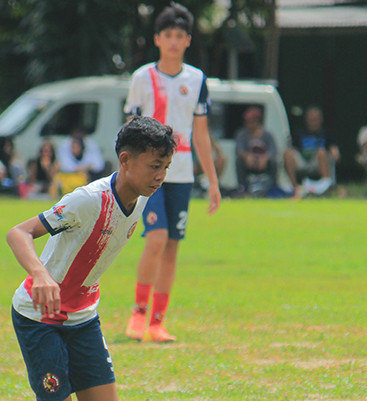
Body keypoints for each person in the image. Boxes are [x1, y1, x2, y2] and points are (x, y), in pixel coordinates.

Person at [0, 117, 175, 401]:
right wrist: (41, 275)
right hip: (40, 316)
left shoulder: (143, 196)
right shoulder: (88, 200)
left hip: (82, 316)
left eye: (166, 167)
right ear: (125, 161)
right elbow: (18, 233)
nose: (160, 176)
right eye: (153, 166)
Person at [124, 2, 221, 344]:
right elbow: (129, 127)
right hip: (146, 175)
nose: (174, 42)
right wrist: (126, 171)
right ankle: (137, 313)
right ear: (157, 39)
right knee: (156, 238)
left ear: (188, 40)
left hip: (180, 173)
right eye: (168, 35)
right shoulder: (142, 78)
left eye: (180, 35)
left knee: (172, 247)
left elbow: (201, 134)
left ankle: (157, 322)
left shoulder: (196, 80)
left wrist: (212, 180)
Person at [284, 105, 340, 197]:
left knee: (321, 152)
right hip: (303, 160)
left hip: (318, 161)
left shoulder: (326, 134)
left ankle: (325, 186)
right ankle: (294, 188)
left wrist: (335, 153)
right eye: (311, 119)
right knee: (287, 154)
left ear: (320, 120)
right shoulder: (299, 133)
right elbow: (293, 149)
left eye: (316, 119)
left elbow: (334, 149)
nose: (313, 122)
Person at [234, 106, 278, 197]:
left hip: (264, 163)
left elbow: (273, 150)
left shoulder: (267, 135)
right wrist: (247, 156)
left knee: (273, 163)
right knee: (239, 161)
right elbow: (239, 150)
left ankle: (272, 187)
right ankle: (242, 187)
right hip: (249, 163)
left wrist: (265, 158)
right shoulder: (242, 134)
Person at [53, 127, 106, 197]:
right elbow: (63, 165)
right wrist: (77, 169)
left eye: (76, 147)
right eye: (73, 147)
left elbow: (98, 166)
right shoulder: (65, 150)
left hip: (86, 181)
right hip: (68, 179)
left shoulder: (90, 151)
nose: (74, 149)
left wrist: (87, 168)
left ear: (81, 147)